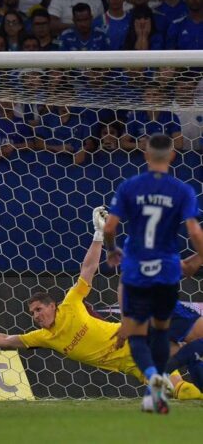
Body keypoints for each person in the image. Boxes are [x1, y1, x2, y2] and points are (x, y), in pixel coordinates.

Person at [0, 206, 203, 405]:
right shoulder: (44, 337)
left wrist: (98, 235)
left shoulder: (71, 304)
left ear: (51, 305)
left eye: (38, 309)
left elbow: (88, 269)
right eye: (32, 313)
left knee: (188, 348)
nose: (36, 316)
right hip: (134, 367)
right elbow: (8, 340)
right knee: (184, 393)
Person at [103, 134, 203, 413]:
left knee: (138, 337)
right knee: (161, 331)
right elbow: (195, 231)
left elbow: (110, 227)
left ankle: (155, 386)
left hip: (136, 271)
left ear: (146, 155)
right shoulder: (182, 190)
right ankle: (159, 388)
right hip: (167, 270)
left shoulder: (129, 187)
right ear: (172, 156)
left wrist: (111, 251)